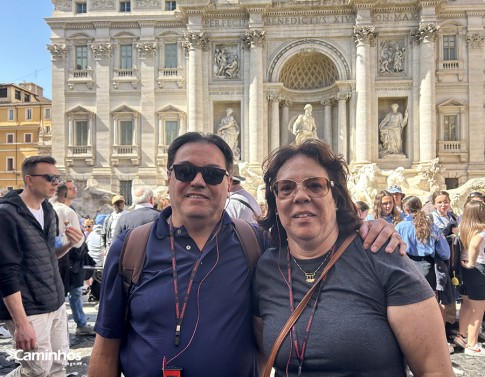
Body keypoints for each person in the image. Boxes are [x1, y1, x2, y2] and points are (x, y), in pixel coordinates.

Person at [88, 132, 404, 377]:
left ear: (229, 184)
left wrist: (370, 227)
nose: (198, 181)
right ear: (169, 177)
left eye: (212, 174)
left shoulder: (256, 244)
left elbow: (315, 238)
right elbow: (105, 348)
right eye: (185, 171)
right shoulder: (130, 248)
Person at [254, 139, 453, 376]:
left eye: (315, 186)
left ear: (336, 198)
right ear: (275, 203)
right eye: (286, 188)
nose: (300, 196)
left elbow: (435, 371)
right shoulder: (266, 267)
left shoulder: (384, 257)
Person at [0, 156, 83, 377]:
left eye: (57, 177)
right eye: (50, 177)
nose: (57, 183)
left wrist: (69, 244)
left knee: (58, 366)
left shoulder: (48, 210)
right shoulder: (6, 214)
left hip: (55, 302)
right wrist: (21, 323)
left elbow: (48, 255)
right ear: (29, 179)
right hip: (29, 308)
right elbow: (6, 272)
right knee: (37, 369)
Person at [52, 181, 95, 336]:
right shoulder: (66, 211)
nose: (75, 190)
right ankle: (77, 325)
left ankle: (75, 324)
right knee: (71, 292)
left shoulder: (48, 207)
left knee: (68, 293)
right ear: (64, 193)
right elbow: (77, 242)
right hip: (68, 257)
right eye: (71, 188)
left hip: (56, 257)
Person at [457, 200, 485, 356]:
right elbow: (475, 245)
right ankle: (472, 345)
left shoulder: (464, 227)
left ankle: (462, 335)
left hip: (466, 270)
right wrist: (472, 263)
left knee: (467, 304)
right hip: (478, 269)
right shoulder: (481, 230)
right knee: (478, 309)